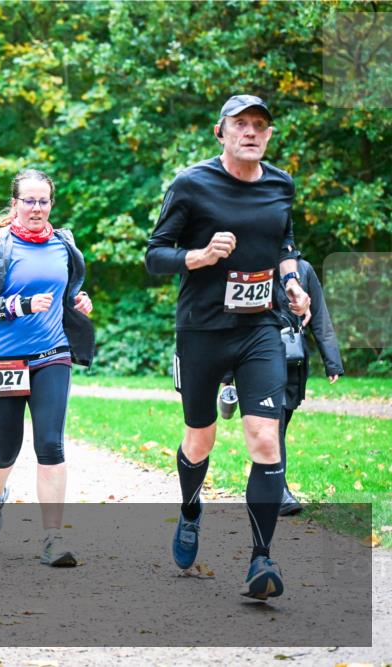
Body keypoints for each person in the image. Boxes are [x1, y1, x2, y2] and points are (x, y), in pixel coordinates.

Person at [145, 94, 312, 600]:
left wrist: (292, 283)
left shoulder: (281, 184)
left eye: (260, 125)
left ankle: (261, 559)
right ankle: (191, 509)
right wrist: (198, 255)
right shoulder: (192, 183)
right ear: (220, 132)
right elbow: (156, 255)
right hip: (201, 330)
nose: (251, 132)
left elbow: (284, 244)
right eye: (241, 124)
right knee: (200, 439)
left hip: (259, 327)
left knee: (265, 438)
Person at [0, 169, 95, 566]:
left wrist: (79, 301)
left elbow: (66, 290)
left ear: (51, 204)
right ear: (14, 204)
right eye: (28, 201)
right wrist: (19, 305)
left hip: (52, 353)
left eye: (43, 201)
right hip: (2, 358)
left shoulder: (64, 242)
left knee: (51, 443)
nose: (36, 208)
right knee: (6, 448)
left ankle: (52, 538)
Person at [218, 257, 344, 516]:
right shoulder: (249, 266)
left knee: (279, 426)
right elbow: (233, 320)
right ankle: (278, 491)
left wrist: (332, 362)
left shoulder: (304, 269)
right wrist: (228, 373)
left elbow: (319, 315)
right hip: (256, 360)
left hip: (292, 362)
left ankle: (264, 487)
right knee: (271, 426)